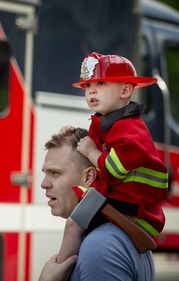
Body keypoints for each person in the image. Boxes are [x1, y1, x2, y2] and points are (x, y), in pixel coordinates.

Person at [56, 52, 169, 264]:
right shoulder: (106, 122)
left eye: (100, 82)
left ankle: (59, 271)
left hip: (135, 210)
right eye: (87, 86)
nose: (91, 91)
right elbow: (97, 146)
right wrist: (73, 135)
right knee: (74, 216)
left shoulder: (131, 132)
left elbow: (114, 171)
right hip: (120, 200)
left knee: (74, 224)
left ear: (125, 90)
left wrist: (90, 151)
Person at [39, 128, 156, 281]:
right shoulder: (121, 233)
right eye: (45, 173)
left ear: (88, 176)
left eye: (55, 173)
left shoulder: (100, 246)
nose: (44, 184)